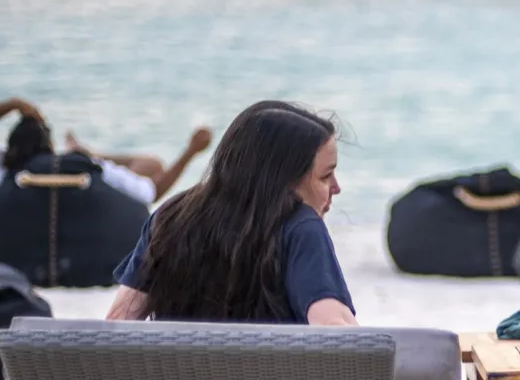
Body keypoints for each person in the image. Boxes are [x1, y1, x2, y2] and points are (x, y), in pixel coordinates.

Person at [106, 100, 357, 325]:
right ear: (283, 179)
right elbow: (333, 330)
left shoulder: (171, 218)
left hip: (178, 377)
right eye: (325, 176)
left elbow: (119, 324)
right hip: (273, 378)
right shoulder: (301, 228)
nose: (336, 187)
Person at [0, 97, 211, 204]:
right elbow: (152, 190)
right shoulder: (86, 170)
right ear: (51, 146)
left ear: (10, 148)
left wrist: (14, 104)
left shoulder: (1, 173)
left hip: (26, 257)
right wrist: (191, 151)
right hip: (83, 260)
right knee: (149, 166)